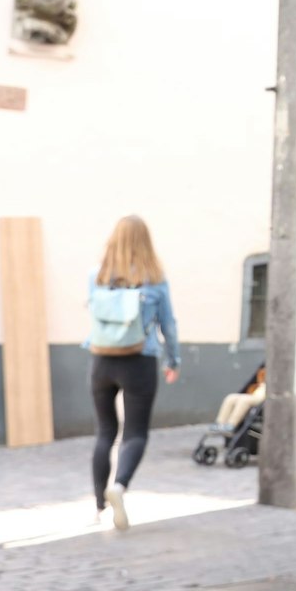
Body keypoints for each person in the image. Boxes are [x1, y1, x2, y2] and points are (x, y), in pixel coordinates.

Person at [85, 215, 180, 531]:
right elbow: (169, 324)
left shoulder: (97, 277)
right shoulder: (155, 279)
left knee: (104, 432)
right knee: (135, 433)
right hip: (139, 360)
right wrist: (173, 360)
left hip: (101, 361)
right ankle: (120, 486)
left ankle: (99, 505)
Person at [212, 367, 266, 432]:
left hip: (263, 398)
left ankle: (231, 424)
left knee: (244, 400)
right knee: (231, 397)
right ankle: (220, 423)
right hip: (256, 393)